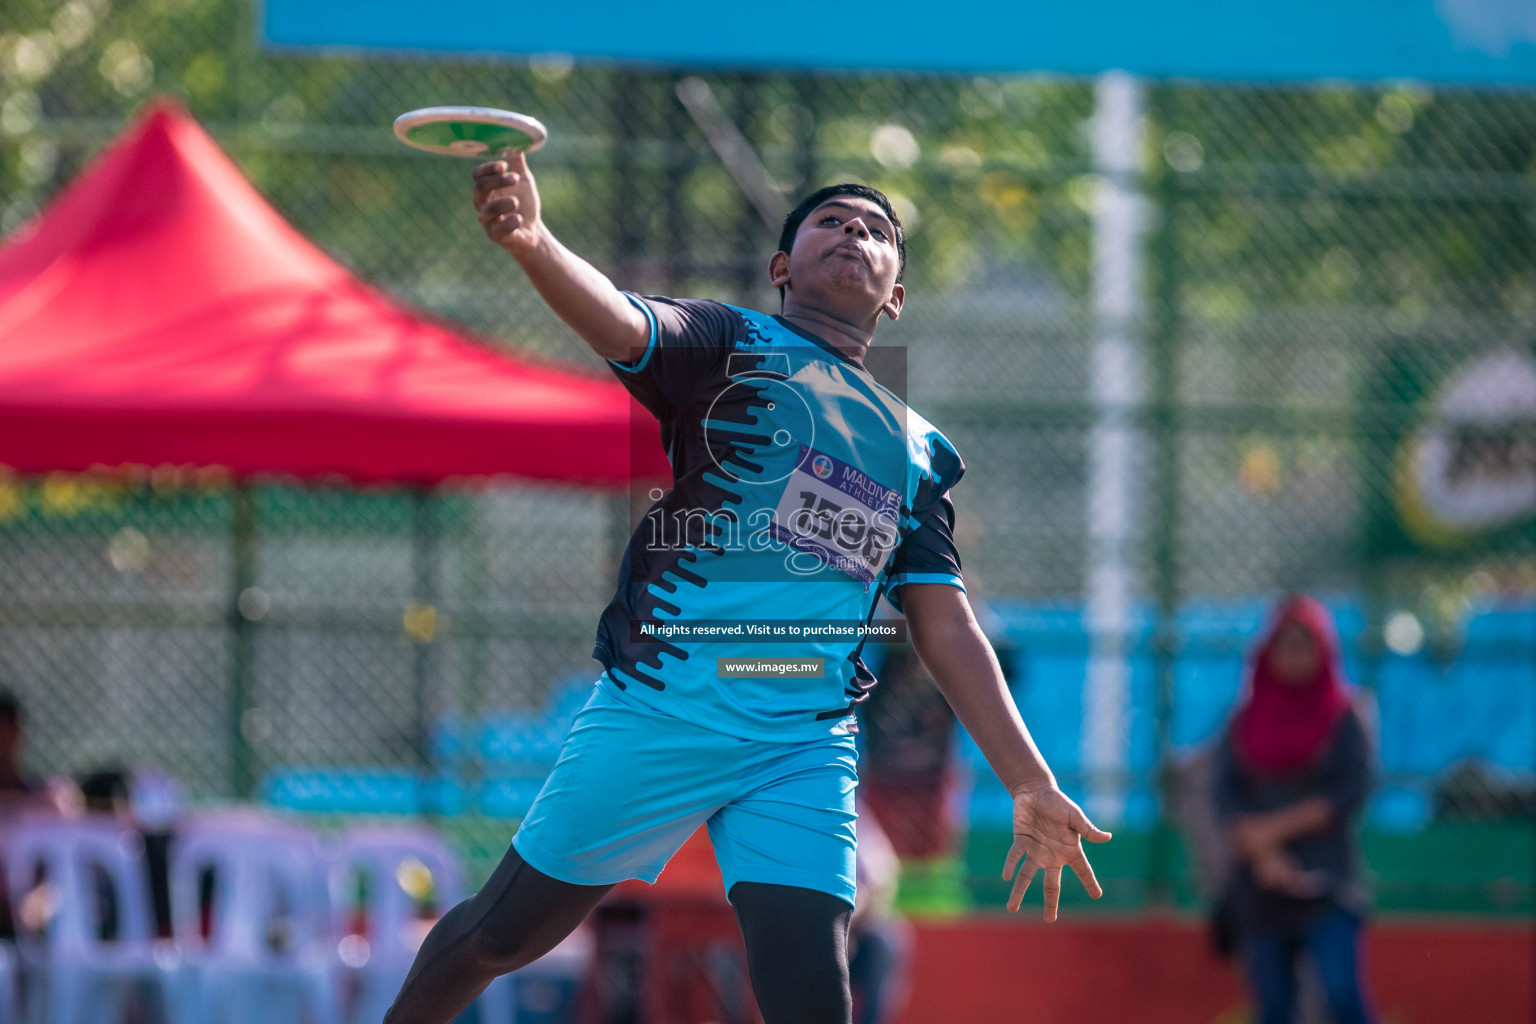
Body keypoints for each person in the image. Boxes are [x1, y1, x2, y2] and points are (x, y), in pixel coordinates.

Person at [383, 152, 1111, 1024]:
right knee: (500, 938)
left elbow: (944, 622)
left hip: (799, 743)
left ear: (896, 298)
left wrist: (1030, 780)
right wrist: (534, 241)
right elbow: (619, 322)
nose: (857, 235)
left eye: (878, 232)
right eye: (833, 223)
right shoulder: (727, 344)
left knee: (813, 998)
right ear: (781, 269)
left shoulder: (919, 450)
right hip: (663, 710)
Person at [1214, 594, 1379, 1024]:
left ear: (1324, 651)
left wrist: (1273, 831)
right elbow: (1226, 797)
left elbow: (1349, 791)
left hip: (1328, 882)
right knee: (1274, 1008)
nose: (1295, 656)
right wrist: (1265, 854)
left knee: (1343, 997)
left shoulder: (1343, 717)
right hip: (1263, 884)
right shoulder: (1244, 720)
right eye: (1285, 645)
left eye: (1306, 645)